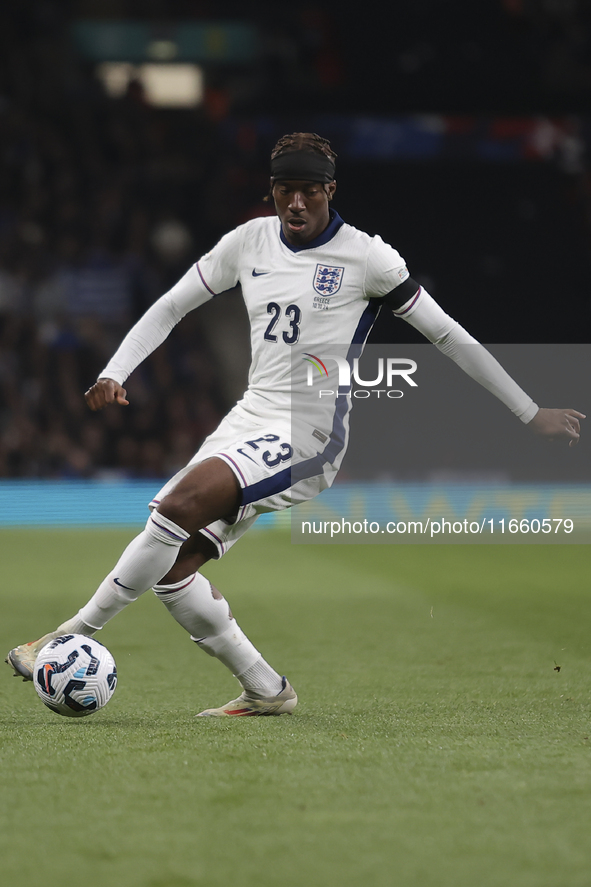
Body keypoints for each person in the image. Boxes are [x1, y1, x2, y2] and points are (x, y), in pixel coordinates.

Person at [6, 132, 584, 716]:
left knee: (178, 504)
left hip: (311, 432)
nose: (297, 203)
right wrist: (116, 371)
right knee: (174, 572)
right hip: (249, 418)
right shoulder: (248, 242)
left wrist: (529, 411)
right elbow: (172, 304)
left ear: (330, 190)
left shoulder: (369, 258)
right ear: (273, 191)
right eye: (286, 191)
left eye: (310, 191)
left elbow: (448, 336)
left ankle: (62, 637)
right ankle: (266, 690)